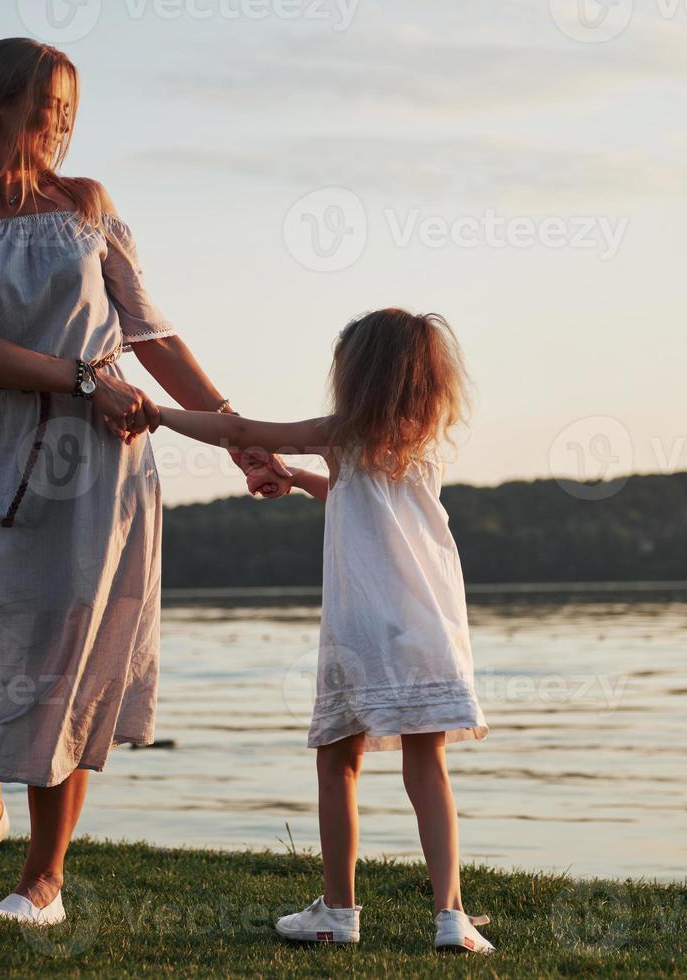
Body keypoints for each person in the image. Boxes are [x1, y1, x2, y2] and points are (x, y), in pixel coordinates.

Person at [0, 37, 288, 927]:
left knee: (69, 665)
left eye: (68, 110)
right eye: (45, 105)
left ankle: (41, 880)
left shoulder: (86, 205)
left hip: (101, 466)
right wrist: (85, 378)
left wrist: (234, 435)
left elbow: (151, 334)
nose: (58, 124)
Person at [148, 308, 494, 953]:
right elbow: (358, 500)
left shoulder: (340, 432)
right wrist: (297, 477)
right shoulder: (422, 441)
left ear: (356, 374)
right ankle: (452, 919)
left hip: (362, 621)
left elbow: (243, 428)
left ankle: (339, 910)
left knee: (339, 762)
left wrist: (157, 412)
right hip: (430, 619)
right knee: (430, 764)